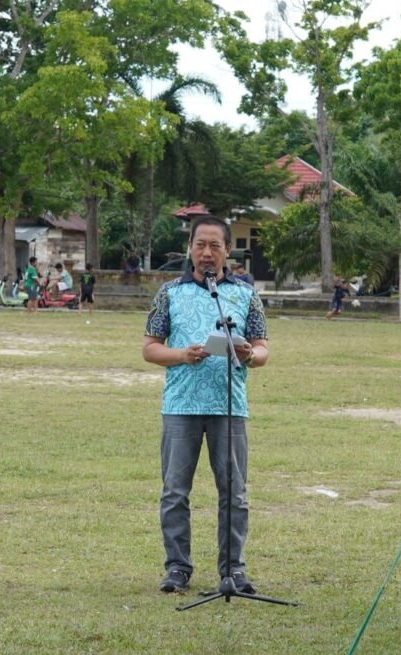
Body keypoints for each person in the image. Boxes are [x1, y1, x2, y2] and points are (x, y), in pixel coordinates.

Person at [142, 216, 269, 595]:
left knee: (234, 491)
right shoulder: (169, 293)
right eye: (200, 244)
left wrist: (249, 354)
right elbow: (150, 347)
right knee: (175, 491)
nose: (207, 253)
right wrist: (182, 354)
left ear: (228, 250)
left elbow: (263, 348)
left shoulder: (245, 294)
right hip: (181, 404)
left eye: (215, 246)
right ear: (190, 248)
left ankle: (233, 570)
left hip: (229, 405)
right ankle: (177, 567)